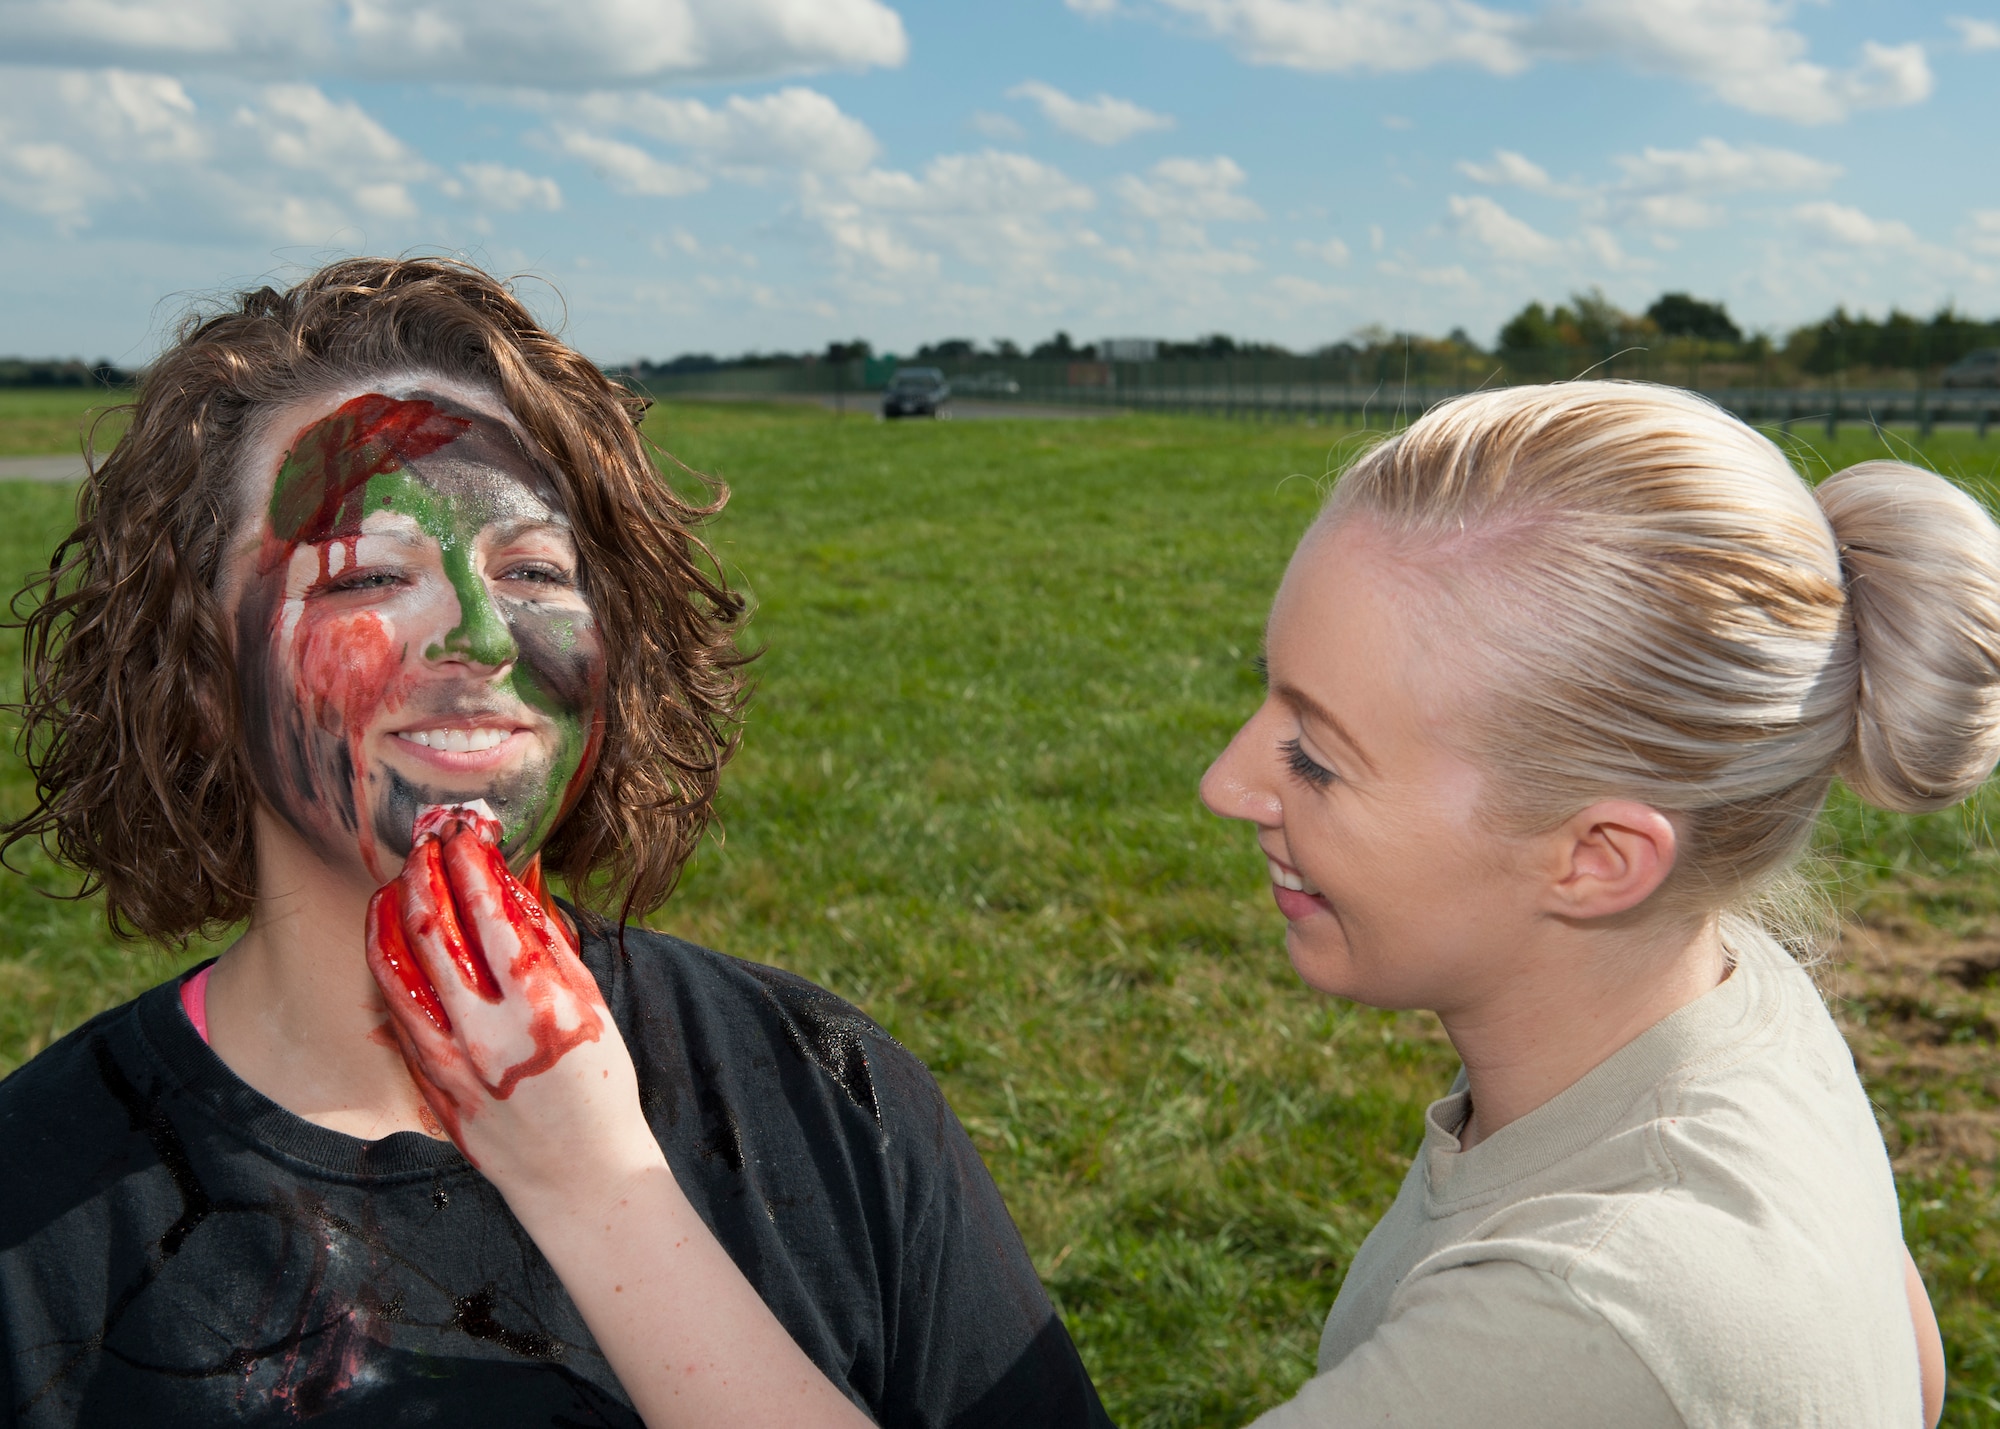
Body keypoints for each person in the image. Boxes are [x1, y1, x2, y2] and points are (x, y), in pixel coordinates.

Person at [368, 381, 1963, 1428]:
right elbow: (1914, 1344)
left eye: (1320, 759)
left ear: (1598, 859)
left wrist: (590, 1174)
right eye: (1270, 701)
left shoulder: (1601, 1317)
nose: (1225, 781)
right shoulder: (1733, 1002)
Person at [0, 257, 1112, 1429]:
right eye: (370, 574)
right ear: (194, 665)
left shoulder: (829, 1099)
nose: (482, 635)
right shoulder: (36, 1220)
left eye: (533, 569)